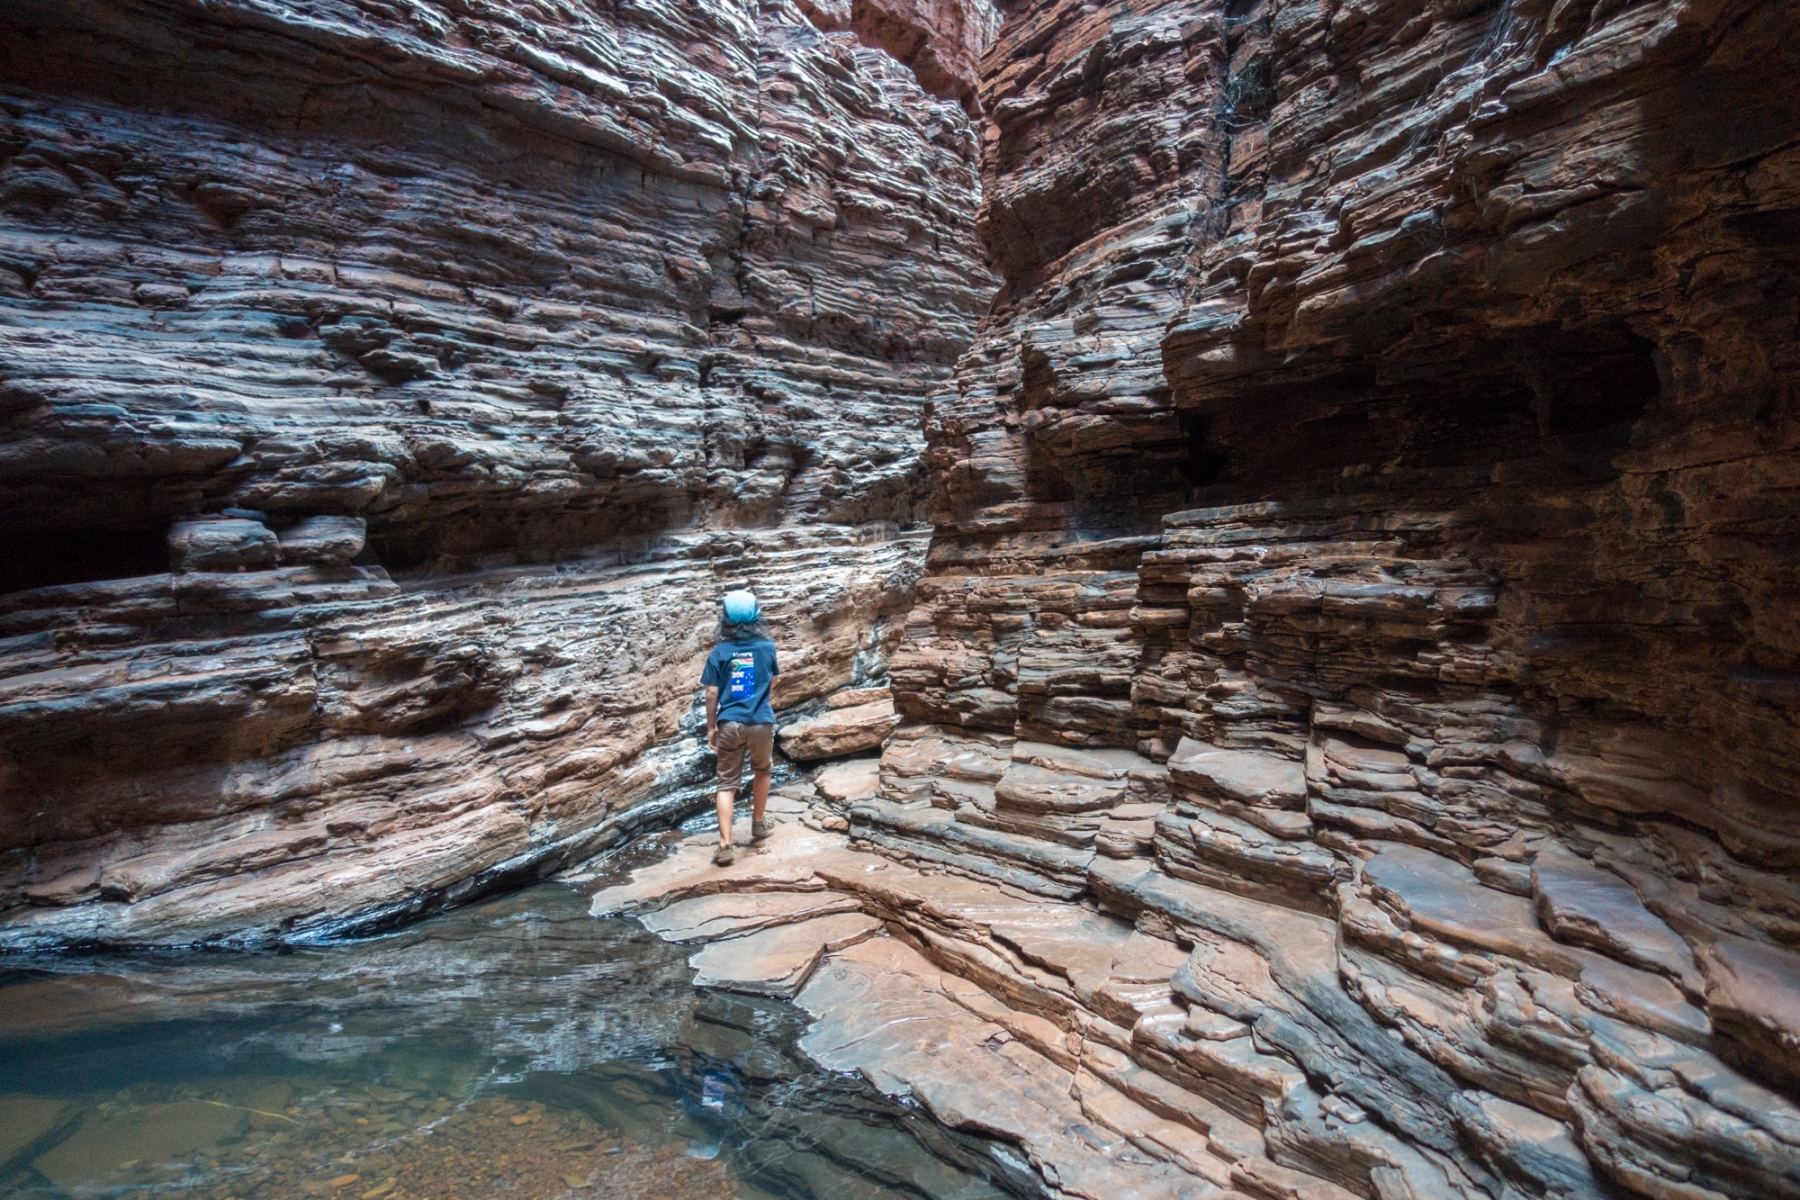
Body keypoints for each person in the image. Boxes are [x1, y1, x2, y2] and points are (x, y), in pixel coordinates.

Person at [700, 589, 779, 866]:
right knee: (763, 769)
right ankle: (758, 823)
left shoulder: (719, 652)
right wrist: (758, 696)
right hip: (762, 722)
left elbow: (712, 692)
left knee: (726, 783)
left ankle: (725, 845)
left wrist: (711, 727)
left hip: (730, 722)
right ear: (757, 618)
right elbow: (774, 680)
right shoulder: (767, 648)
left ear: (726, 620)